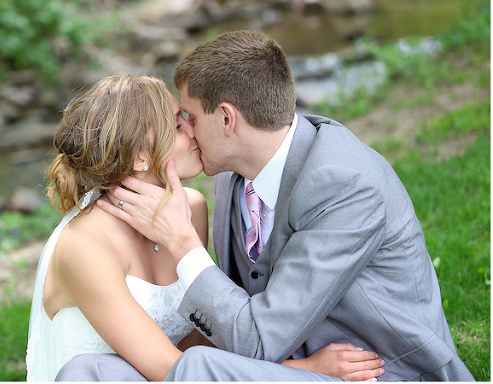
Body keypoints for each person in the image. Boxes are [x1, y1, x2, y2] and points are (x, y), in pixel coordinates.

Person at [90, 30, 475, 381]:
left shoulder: (345, 185)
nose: (185, 131)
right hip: (293, 367)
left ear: (227, 119)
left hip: (378, 372)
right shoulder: (231, 174)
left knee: (196, 367)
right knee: (88, 370)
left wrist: (183, 243)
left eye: (189, 117)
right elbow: (236, 314)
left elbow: (256, 339)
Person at [26, 74, 386, 382]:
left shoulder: (190, 207)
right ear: (138, 157)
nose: (194, 130)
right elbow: (168, 369)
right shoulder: (85, 248)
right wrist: (303, 371)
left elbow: (195, 340)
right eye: (178, 125)